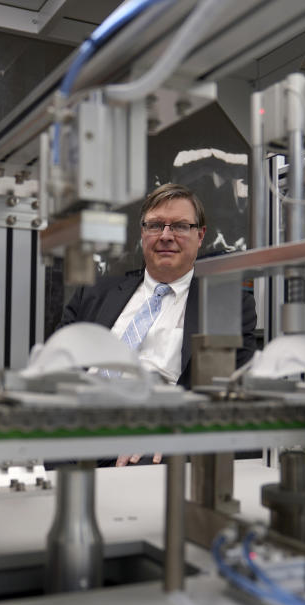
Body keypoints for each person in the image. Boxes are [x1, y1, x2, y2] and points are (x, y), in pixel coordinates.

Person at [58, 183, 257, 465]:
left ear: (200, 235)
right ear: (143, 233)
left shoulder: (226, 306)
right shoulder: (94, 292)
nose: (165, 236)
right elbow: (57, 361)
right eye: (155, 226)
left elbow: (233, 396)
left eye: (179, 226)